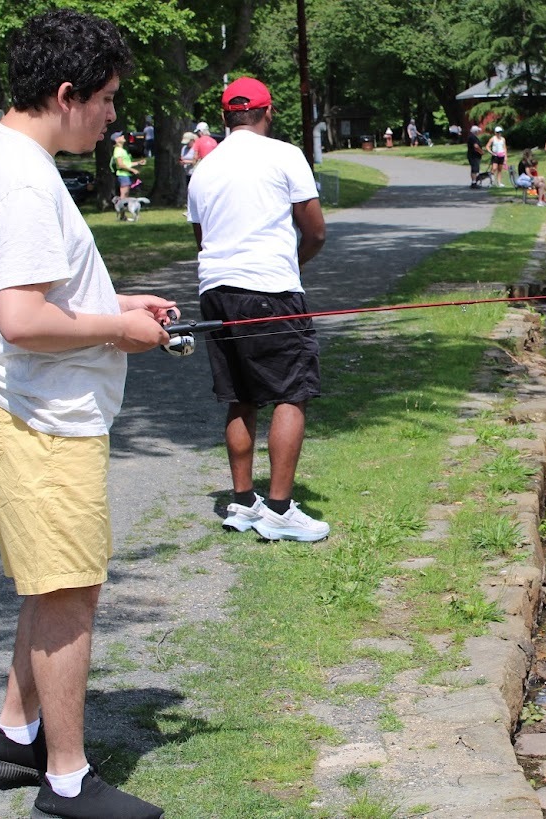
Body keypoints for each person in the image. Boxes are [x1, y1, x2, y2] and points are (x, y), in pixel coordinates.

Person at [0, 9, 174, 819]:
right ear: (66, 93)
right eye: (109, 99)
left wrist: (114, 302)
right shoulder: (21, 179)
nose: (114, 114)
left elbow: (42, 293)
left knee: (53, 578)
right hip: (42, 418)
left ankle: (14, 731)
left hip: (34, 406)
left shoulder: (6, 153)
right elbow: (21, 319)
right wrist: (118, 329)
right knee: (69, 587)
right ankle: (66, 778)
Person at [186, 76, 331, 543]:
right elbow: (315, 233)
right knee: (291, 392)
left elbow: (202, 240)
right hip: (271, 289)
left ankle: (243, 500)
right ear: (267, 113)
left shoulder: (204, 168)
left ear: (227, 117)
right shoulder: (285, 155)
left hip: (217, 290)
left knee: (240, 395)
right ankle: (280, 510)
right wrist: (288, 266)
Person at [109, 130, 144, 199]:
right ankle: (120, 208)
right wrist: (133, 170)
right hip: (122, 175)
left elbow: (127, 164)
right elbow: (120, 165)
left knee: (126, 194)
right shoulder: (118, 151)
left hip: (126, 175)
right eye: (120, 136)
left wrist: (138, 163)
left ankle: (124, 208)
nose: (122, 136)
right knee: (124, 194)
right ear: (116, 140)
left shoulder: (123, 150)